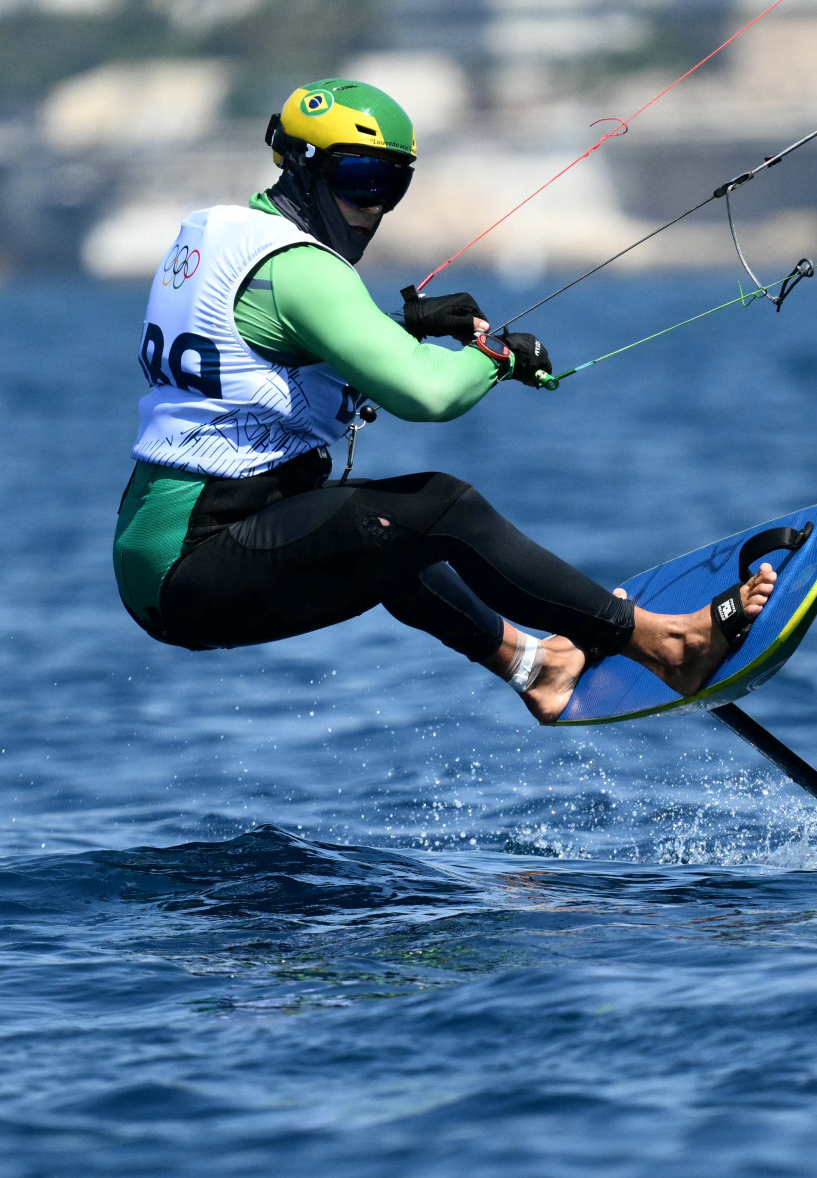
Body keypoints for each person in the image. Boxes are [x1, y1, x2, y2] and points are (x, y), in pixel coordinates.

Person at [112, 78, 776, 723]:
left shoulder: (215, 232)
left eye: (392, 184)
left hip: (161, 546)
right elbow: (426, 392)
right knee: (438, 507)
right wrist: (500, 356)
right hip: (195, 559)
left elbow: (256, 346)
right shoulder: (303, 269)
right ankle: (669, 645)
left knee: (388, 529)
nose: (374, 205)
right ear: (303, 169)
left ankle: (538, 668)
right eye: (359, 181)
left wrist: (402, 327)